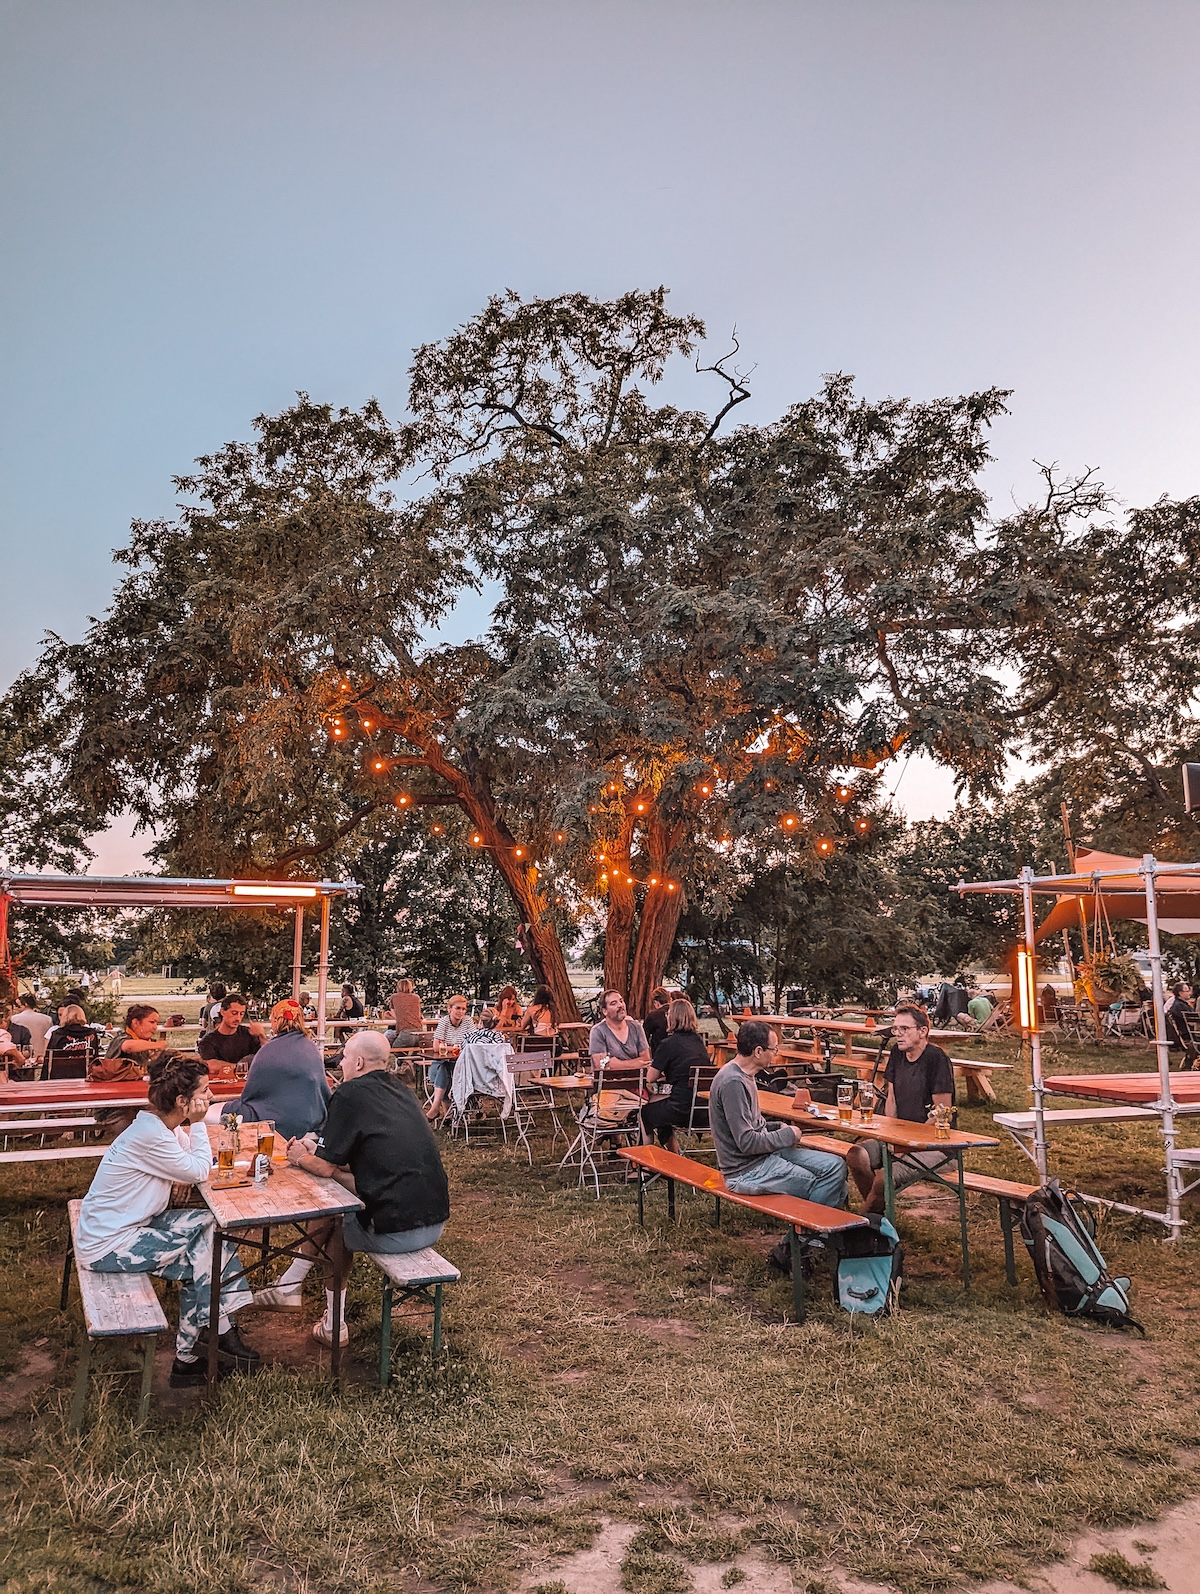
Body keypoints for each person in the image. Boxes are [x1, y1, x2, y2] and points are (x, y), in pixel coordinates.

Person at [253, 1030, 450, 1346]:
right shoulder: (402, 1091)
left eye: (343, 1057)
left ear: (358, 1062)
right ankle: (290, 1285)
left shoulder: (348, 1094)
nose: (340, 1063)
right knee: (341, 1190)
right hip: (434, 1219)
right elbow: (363, 1154)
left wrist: (300, 1156)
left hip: (398, 1230)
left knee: (336, 1211)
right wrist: (316, 1146)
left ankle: (332, 1324)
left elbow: (326, 1167)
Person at [74, 1052, 257, 1385]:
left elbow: (193, 1161)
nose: (212, 1097)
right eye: (204, 1092)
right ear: (182, 1101)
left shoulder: (160, 1127)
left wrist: (187, 1160)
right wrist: (199, 1124)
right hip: (108, 1242)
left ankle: (207, 1342)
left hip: (128, 1226)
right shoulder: (152, 1135)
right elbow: (199, 1168)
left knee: (209, 1234)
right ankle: (204, 1344)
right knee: (203, 1262)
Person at [709, 1021, 848, 1215]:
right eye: (774, 1049)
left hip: (763, 1157)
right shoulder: (733, 1083)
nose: (776, 1054)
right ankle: (804, 1239)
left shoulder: (745, 1075)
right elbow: (747, 1142)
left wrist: (776, 1127)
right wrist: (789, 1135)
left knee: (836, 1166)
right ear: (758, 1051)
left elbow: (754, 1126)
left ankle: (811, 1233)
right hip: (746, 1171)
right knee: (831, 1184)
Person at [846, 1005, 956, 1213]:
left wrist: (910, 1145)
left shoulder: (936, 1058)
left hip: (936, 1145)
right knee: (855, 1154)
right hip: (900, 1138)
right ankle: (880, 1216)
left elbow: (943, 1110)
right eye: (895, 1029)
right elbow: (892, 1099)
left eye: (904, 1029)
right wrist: (892, 1136)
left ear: (922, 1031)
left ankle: (867, 1226)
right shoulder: (897, 1052)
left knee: (883, 1179)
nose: (898, 1034)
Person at [232, 999, 331, 1141]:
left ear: (276, 1020)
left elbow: (251, 1094)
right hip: (313, 1117)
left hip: (281, 1122)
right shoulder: (311, 1048)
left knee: (217, 1112)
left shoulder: (269, 1050)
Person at [641, 997, 708, 1154]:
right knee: (659, 1109)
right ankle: (673, 1155)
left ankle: (643, 1163)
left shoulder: (668, 1044)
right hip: (704, 1108)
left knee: (645, 1113)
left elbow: (650, 1078)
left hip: (681, 1110)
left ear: (672, 1018)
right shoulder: (698, 1041)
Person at [92, 1004, 165, 1082]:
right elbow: (128, 1046)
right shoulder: (121, 1038)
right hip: (114, 1086)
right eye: (152, 1022)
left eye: (156, 1023)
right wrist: (157, 1045)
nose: (155, 1027)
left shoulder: (146, 1042)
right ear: (135, 1023)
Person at [427, 996, 471, 1121]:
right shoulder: (444, 1022)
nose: (461, 1012)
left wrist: (448, 1046)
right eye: (457, 1008)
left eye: (463, 1009)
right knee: (443, 1067)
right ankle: (442, 1110)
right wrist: (457, 1047)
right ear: (449, 1009)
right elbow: (436, 1047)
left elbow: (472, 1045)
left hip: (461, 1064)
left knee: (446, 1069)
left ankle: (437, 1108)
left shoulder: (468, 1022)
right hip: (441, 1063)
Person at [197, 993, 265, 1073]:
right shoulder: (208, 1041)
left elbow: (268, 1056)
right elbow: (211, 1065)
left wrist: (261, 1036)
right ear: (222, 1012)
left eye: (241, 1014)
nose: (238, 1018)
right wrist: (240, 1067)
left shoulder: (249, 1033)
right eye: (234, 1013)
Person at [588, 990, 651, 1067]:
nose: (620, 1005)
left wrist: (617, 1063)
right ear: (605, 1011)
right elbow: (601, 1064)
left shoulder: (636, 1027)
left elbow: (646, 1059)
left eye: (621, 1001)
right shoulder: (598, 1031)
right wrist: (635, 1064)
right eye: (613, 1003)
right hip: (609, 1078)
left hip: (638, 1078)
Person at [44, 1005, 101, 1077]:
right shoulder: (91, 1034)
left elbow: (48, 1058)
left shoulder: (57, 1034)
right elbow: (95, 1059)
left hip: (60, 1077)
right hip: (84, 1075)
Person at [1166, 982, 1199, 1067]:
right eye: (1187, 991)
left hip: (1188, 1034)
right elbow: (1192, 1022)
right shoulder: (1180, 1006)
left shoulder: (1179, 1004)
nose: (1190, 993)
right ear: (1180, 993)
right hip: (1191, 1036)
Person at [12, 993, 53, 1060]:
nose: (16, 1008)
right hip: (42, 1056)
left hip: (22, 1056)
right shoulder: (47, 1019)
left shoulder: (14, 1019)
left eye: (18, 1006)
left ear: (25, 1004)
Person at [388, 978, 424, 1046]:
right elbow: (418, 1013)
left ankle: (403, 1056)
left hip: (405, 1032)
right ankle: (412, 1056)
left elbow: (393, 1013)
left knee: (394, 1049)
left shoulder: (394, 997)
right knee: (417, 1051)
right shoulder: (416, 997)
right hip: (419, 1031)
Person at [642, 988, 671, 1055]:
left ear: (656, 1002)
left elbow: (644, 1037)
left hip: (659, 1053)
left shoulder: (653, 1016)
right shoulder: (678, 1012)